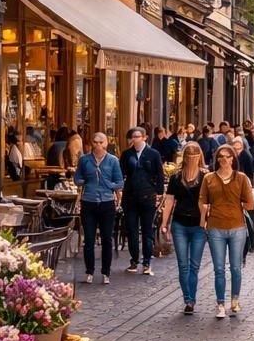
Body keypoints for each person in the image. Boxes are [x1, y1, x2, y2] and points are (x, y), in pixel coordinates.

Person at [200, 143, 254, 320]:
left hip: (237, 227)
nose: (224, 159)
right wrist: (204, 214)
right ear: (216, 159)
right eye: (221, 156)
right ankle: (220, 303)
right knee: (218, 268)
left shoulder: (241, 178)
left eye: (228, 156)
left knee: (236, 268)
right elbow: (202, 199)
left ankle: (235, 300)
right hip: (216, 227)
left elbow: (250, 203)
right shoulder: (209, 178)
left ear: (233, 158)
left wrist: (239, 205)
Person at [161, 141, 207, 313]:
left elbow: (209, 200)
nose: (193, 159)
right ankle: (187, 297)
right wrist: (164, 223)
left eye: (196, 156)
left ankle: (191, 300)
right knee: (183, 264)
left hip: (198, 225)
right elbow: (170, 200)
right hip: (179, 223)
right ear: (185, 158)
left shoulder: (205, 177)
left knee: (194, 265)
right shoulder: (176, 177)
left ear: (200, 157)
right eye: (189, 156)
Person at [74, 132, 123, 284]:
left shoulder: (113, 161)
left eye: (101, 142)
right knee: (88, 240)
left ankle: (105, 272)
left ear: (106, 144)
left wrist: (109, 185)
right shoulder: (84, 160)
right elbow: (77, 179)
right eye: (95, 142)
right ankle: (89, 271)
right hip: (88, 202)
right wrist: (85, 180)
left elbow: (119, 182)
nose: (98, 145)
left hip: (107, 203)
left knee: (107, 239)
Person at [119, 126, 164, 276]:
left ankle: (146, 262)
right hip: (130, 197)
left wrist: (158, 193)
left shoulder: (153, 154)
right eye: (133, 136)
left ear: (144, 137)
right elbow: (121, 173)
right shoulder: (126, 154)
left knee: (147, 230)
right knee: (131, 230)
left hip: (147, 196)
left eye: (138, 136)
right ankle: (134, 260)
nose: (135, 139)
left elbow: (159, 174)